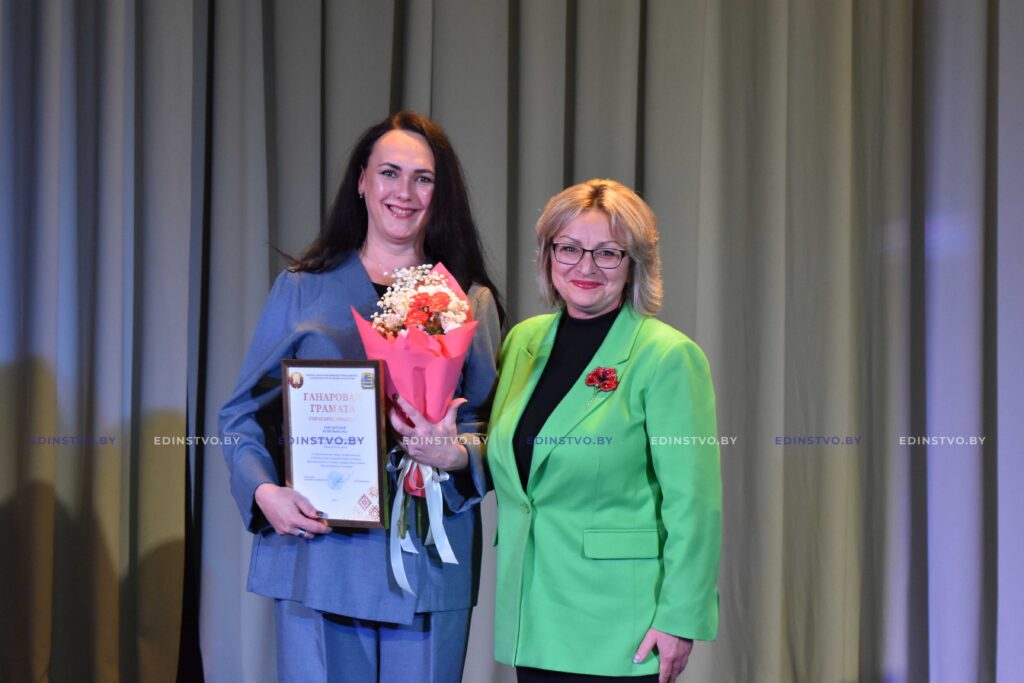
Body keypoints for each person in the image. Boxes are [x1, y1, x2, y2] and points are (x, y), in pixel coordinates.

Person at [219, 111, 505, 683]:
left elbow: (493, 429)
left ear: (441, 192)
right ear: (361, 182)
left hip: (426, 557)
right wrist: (265, 491)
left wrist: (456, 455)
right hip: (319, 552)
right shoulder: (301, 288)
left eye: (423, 178)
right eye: (389, 173)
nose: (404, 192)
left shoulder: (468, 300)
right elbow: (241, 416)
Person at [486, 179, 721, 682]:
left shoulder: (668, 356)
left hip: (620, 626)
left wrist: (681, 617)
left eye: (608, 253)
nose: (586, 267)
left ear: (635, 262)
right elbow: (503, 456)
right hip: (535, 615)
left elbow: (695, 504)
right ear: (548, 255)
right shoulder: (523, 343)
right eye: (569, 248)